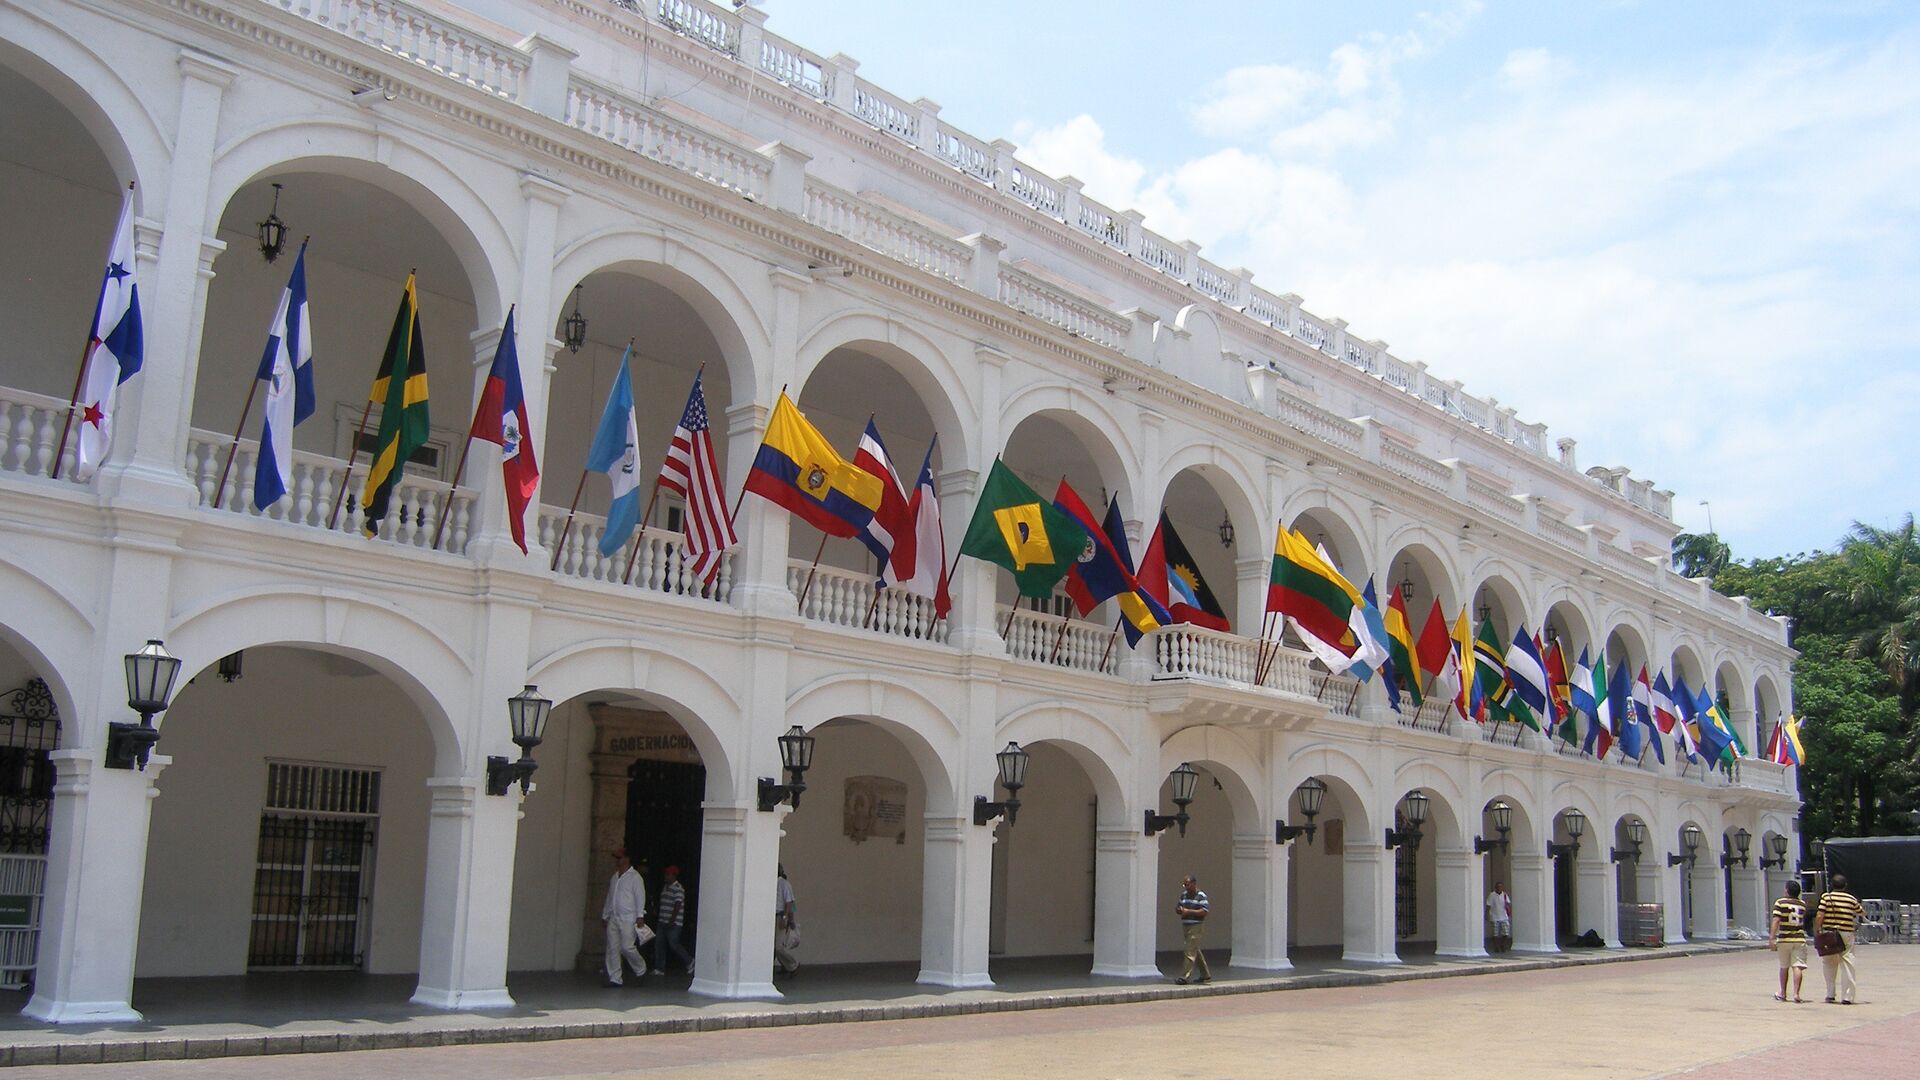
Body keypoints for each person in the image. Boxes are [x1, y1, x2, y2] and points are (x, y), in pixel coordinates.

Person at [1812, 873, 1865, 1005]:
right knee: (1848, 963)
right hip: (1847, 933)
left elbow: (1820, 914)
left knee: (1829, 963)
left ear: (1831, 885)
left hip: (1829, 933)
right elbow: (1862, 912)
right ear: (1845, 886)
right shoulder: (1851, 898)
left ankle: (1830, 994)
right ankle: (1847, 996)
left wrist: (1817, 930)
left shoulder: (1826, 897)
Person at [601, 848, 649, 986]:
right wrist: (605, 914)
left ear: (627, 859)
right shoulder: (615, 877)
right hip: (615, 917)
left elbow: (640, 897)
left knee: (627, 947)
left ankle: (640, 968)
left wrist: (640, 915)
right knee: (612, 947)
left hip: (629, 917)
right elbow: (611, 898)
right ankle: (614, 978)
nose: (617, 860)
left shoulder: (635, 877)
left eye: (619, 857)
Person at [1768, 878, 1809, 1003]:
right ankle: (1796, 994)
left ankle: (1783, 993)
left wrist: (1772, 937)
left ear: (1786, 890)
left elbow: (1776, 920)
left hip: (1784, 938)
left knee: (1784, 966)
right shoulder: (1802, 904)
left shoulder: (1780, 902)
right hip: (1799, 937)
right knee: (1798, 966)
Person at [654, 864, 694, 974]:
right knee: (659, 944)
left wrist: (672, 919)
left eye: (668, 874)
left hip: (674, 922)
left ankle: (689, 961)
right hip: (662, 921)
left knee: (674, 944)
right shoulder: (665, 887)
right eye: (665, 874)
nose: (666, 876)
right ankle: (659, 968)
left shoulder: (678, 889)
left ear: (674, 876)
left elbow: (678, 904)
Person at [1175, 875, 1212, 984]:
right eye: (1184, 885)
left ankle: (1185, 976)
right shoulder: (1184, 895)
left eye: (1188, 885)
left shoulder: (1201, 896)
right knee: (1194, 949)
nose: (1186, 887)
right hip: (1186, 925)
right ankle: (1205, 975)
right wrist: (1179, 910)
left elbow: (1205, 911)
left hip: (1196, 925)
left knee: (1189, 950)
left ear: (1194, 884)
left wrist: (1188, 912)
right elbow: (1178, 906)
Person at [773, 863, 800, 976]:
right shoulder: (774, 883)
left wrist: (787, 918)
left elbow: (790, 903)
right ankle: (784, 966)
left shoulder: (784, 884)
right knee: (773, 946)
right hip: (773, 916)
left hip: (780, 916)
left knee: (778, 947)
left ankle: (793, 965)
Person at [1486, 881, 1512, 953]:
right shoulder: (1492, 895)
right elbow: (1488, 905)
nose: (1499, 888)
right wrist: (1487, 914)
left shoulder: (1505, 895)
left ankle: (1502, 944)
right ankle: (1496, 946)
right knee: (1495, 933)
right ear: (1495, 887)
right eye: (1498, 887)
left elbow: (1508, 904)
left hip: (1504, 916)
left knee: (1506, 932)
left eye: (1501, 887)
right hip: (1494, 916)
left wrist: (1509, 912)